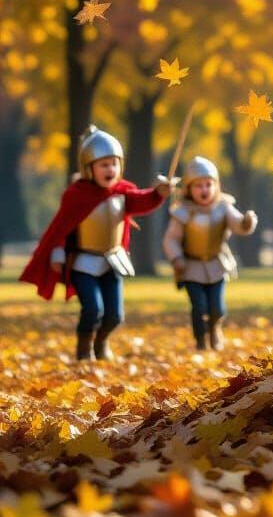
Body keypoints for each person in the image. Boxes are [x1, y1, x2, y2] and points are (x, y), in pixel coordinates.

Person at [19, 125, 171, 361]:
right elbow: (61, 226)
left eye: (114, 163)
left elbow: (144, 200)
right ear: (89, 168)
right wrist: (57, 253)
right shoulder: (77, 195)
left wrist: (159, 193)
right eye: (103, 164)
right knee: (93, 309)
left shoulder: (123, 193)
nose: (110, 169)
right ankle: (83, 350)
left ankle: (101, 343)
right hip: (84, 263)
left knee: (115, 316)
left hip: (113, 261)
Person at [162, 156, 257, 351]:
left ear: (216, 185)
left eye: (208, 184)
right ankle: (201, 341)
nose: (204, 190)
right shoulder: (182, 212)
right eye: (198, 186)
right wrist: (177, 258)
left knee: (217, 308)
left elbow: (237, 223)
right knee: (199, 308)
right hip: (190, 267)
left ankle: (215, 329)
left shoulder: (223, 207)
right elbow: (171, 239)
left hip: (216, 265)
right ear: (189, 188)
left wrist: (246, 222)